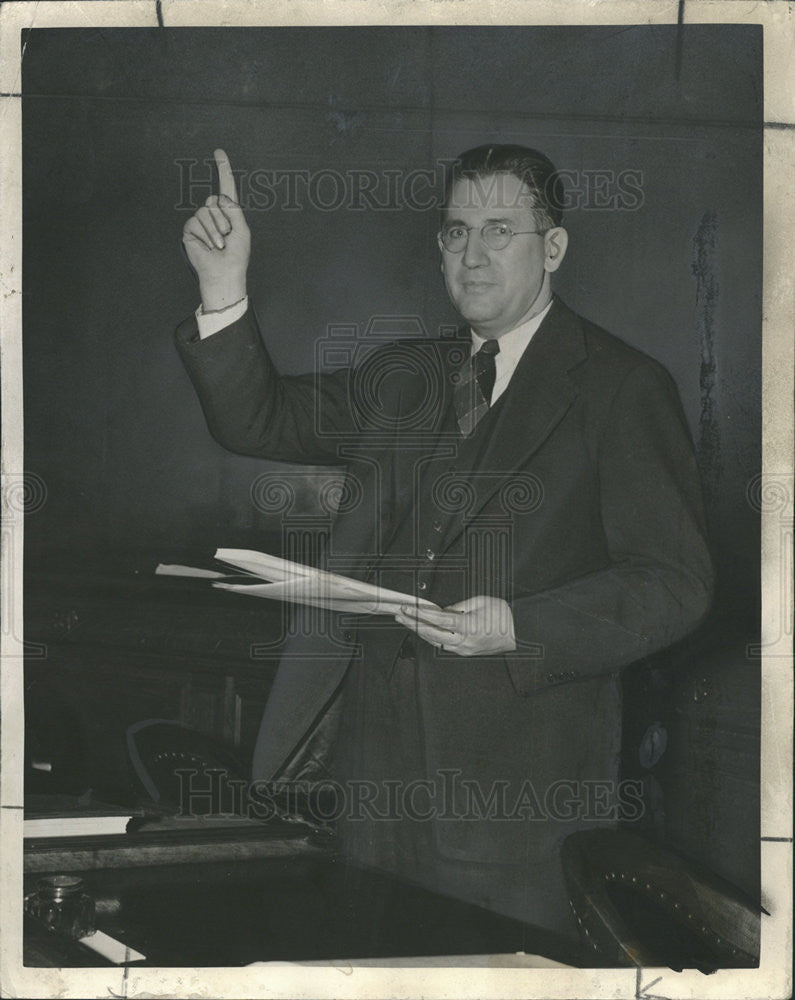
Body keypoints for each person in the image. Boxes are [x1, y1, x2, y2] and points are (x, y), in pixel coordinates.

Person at [175, 144, 713, 943]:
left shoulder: (622, 386)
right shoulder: (405, 375)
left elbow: (672, 583)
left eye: (499, 230)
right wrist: (222, 288)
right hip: (367, 787)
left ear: (553, 248)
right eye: (456, 232)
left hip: (515, 800)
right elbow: (258, 419)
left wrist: (517, 626)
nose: (473, 253)